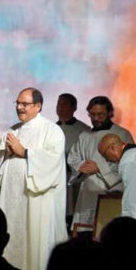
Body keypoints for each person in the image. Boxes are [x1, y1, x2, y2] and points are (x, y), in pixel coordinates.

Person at [0, 87, 66, 270]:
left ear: (38, 106)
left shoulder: (51, 130)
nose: (20, 107)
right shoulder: (13, 130)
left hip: (36, 198)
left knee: (34, 242)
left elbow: (52, 160)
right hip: (12, 196)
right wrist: (4, 152)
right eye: (18, 103)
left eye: (25, 104)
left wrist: (24, 152)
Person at [67, 96, 134, 231]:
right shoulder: (84, 136)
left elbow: (128, 163)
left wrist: (99, 168)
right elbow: (73, 157)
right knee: (85, 233)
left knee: (108, 233)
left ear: (109, 113)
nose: (96, 118)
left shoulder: (122, 134)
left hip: (111, 191)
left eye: (100, 114)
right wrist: (82, 166)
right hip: (87, 192)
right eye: (92, 114)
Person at [56, 93, 90, 224]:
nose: (60, 107)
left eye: (64, 104)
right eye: (59, 103)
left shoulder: (84, 130)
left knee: (72, 215)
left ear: (74, 108)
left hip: (74, 179)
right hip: (54, 178)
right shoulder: (51, 129)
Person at [98, 133, 136, 220]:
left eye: (105, 155)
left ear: (112, 147)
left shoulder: (128, 160)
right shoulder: (135, 152)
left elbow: (133, 199)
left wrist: (127, 220)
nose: (107, 159)